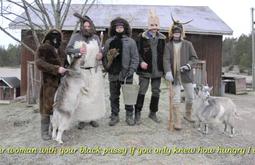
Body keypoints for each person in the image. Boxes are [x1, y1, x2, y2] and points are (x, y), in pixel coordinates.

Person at [66, 13, 106, 129]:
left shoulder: (96, 38)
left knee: (94, 95)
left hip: (94, 71)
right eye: (85, 26)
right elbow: (67, 50)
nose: (87, 28)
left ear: (91, 27)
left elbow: (100, 51)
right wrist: (78, 50)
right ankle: (82, 119)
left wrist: (101, 55)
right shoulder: (75, 37)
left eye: (89, 26)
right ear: (82, 27)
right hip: (80, 71)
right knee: (81, 96)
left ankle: (92, 118)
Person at [102, 17, 139, 126]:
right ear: (114, 28)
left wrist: (131, 71)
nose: (119, 29)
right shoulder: (109, 41)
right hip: (113, 74)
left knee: (128, 96)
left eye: (121, 27)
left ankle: (129, 116)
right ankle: (114, 115)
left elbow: (135, 58)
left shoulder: (131, 42)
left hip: (126, 74)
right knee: (113, 96)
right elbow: (104, 57)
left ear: (125, 28)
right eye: (117, 27)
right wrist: (107, 67)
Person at [163, 18, 198, 130]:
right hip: (174, 76)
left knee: (191, 97)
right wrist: (168, 71)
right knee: (176, 99)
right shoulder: (168, 45)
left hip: (186, 74)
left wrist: (188, 65)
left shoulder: (188, 44)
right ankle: (177, 121)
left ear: (181, 33)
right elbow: (166, 60)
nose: (176, 34)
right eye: (174, 32)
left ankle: (188, 114)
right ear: (172, 33)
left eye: (178, 32)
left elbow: (194, 58)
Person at [135, 10, 166, 124]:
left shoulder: (162, 39)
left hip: (157, 70)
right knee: (142, 91)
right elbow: (136, 52)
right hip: (145, 70)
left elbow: (165, 54)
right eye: (152, 25)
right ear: (149, 26)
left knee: (156, 92)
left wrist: (166, 70)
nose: (154, 27)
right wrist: (141, 61)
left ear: (158, 27)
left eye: (156, 25)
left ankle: (153, 113)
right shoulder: (141, 37)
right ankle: (137, 113)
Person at [36, 29, 67, 140]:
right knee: (46, 107)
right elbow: (39, 63)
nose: (55, 39)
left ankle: (57, 128)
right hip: (48, 83)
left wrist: (66, 70)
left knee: (59, 106)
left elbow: (65, 64)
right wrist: (56, 69)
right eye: (53, 36)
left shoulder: (61, 50)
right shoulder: (43, 48)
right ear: (48, 37)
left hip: (61, 83)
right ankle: (44, 131)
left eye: (57, 36)